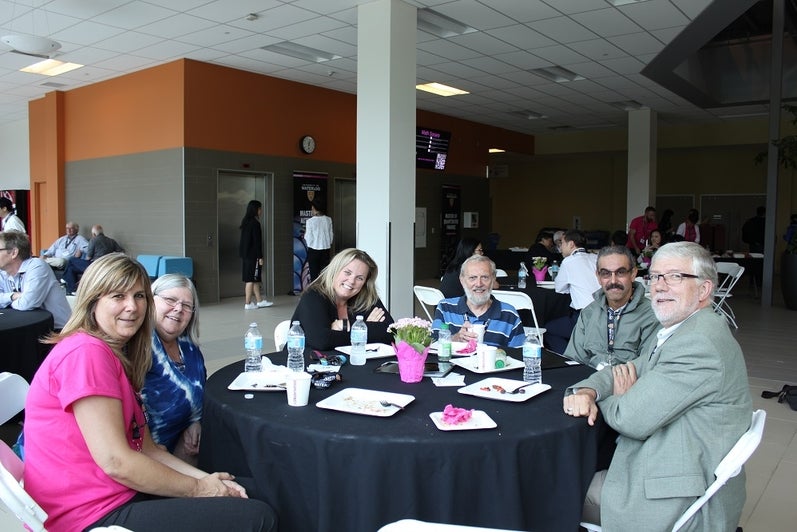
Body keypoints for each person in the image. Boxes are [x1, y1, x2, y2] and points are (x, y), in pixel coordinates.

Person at [22, 253, 277, 532]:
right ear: (93, 300)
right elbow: (116, 462)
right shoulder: (85, 353)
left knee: (257, 489)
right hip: (90, 514)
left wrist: (209, 481)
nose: (132, 307)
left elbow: (147, 449)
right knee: (258, 516)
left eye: (140, 296)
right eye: (118, 296)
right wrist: (199, 489)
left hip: (120, 493)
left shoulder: (112, 353)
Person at [563, 242, 752, 530]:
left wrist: (618, 398)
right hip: (671, 461)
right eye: (656, 277)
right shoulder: (680, 329)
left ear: (704, 290)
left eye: (675, 276)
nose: (660, 286)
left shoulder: (698, 343)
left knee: (555, 486)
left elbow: (630, 420)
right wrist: (589, 390)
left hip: (674, 490)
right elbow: (626, 369)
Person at [141, 274, 206, 467]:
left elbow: (199, 393)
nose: (178, 309)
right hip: (144, 458)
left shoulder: (189, 348)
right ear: (151, 300)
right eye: (170, 300)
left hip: (181, 448)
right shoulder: (139, 347)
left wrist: (195, 422)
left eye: (187, 306)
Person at [563, 246, 659, 370]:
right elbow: (573, 359)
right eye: (605, 273)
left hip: (629, 385)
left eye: (620, 272)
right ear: (598, 277)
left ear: (633, 274)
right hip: (588, 383)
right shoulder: (589, 313)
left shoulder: (651, 315)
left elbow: (646, 367)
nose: (613, 281)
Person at [291, 247, 394, 350]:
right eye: (347, 273)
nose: (352, 281)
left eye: (360, 278)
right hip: (306, 362)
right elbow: (322, 341)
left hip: (351, 363)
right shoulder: (313, 296)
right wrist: (366, 329)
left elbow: (392, 333)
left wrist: (346, 325)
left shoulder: (366, 297)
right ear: (335, 270)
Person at [432, 254, 525, 348]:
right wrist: (454, 339)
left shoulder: (509, 314)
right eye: (473, 278)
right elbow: (432, 346)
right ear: (462, 280)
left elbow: (519, 355)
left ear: (493, 279)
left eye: (485, 277)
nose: (479, 284)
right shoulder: (445, 307)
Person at [0, 231, 72, 329]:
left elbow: (27, 303)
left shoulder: (37, 266)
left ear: (14, 253)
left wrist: (7, 302)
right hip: (28, 329)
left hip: (58, 332)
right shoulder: (3, 272)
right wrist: (13, 296)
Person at [545, 229, 600, 354]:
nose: (560, 248)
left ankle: (569, 357)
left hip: (583, 316)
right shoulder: (595, 258)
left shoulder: (568, 261)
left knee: (548, 329)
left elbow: (559, 288)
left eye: (562, 243)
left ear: (571, 244)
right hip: (603, 313)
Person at [62, 224, 125, 294]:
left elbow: (88, 257)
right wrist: (111, 258)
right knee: (71, 269)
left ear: (94, 234)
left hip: (94, 265)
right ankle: (72, 291)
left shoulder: (93, 240)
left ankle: (66, 281)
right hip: (107, 265)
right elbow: (121, 252)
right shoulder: (111, 241)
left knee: (72, 260)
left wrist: (80, 256)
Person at [239, 199, 272, 309]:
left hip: (246, 256)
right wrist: (260, 256)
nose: (261, 211)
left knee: (255, 278)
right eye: (259, 209)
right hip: (253, 256)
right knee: (250, 279)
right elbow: (257, 242)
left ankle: (259, 301)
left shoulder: (245, 222)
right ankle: (248, 303)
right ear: (256, 210)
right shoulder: (255, 224)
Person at [304, 201, 334, 281]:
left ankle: (315, 291)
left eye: (312, 208)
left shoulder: (310, 221)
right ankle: (324, 290)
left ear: (314, 208)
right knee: (324, 273)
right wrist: (327, 243)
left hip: (313, 250)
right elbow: (331, 235)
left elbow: (308, 238)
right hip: (326, 249)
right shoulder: (328, 219)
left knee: (314, 273)